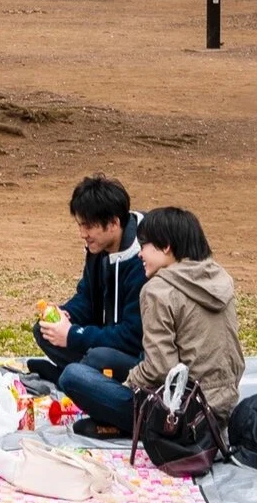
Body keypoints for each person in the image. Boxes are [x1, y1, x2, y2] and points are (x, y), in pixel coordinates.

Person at [59, 205, 243, 440]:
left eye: (144, 245)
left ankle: (135, 424)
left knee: (73, 376)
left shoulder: (159, 290)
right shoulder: (219, 278)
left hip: (182, 415)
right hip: (223, 407)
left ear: (166, 247)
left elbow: (159, 369)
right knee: (101, 360)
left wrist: (125, 385)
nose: (140, 254)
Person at [28, 175, 145, 394]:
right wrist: (66, 315)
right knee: (45, 329)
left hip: (137, 356)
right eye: (80, 225)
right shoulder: (99, 249)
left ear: (113, 223)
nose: (83, 234)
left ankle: (72, 377)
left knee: (98, 357)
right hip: (106, 341)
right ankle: (78, 377)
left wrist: (73, 335)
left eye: (88, 227)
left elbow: (132, 336)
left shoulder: (144, 259)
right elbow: (86, 297)